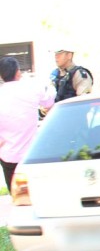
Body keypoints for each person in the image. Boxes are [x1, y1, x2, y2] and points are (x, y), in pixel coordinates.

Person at [0, 58, 55, 188]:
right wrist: (51, 87)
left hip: (8, 156)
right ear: (18, 72)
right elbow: (49, 101)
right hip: (32, 154)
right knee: (37, 194)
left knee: (16, 197)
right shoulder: (32, 88)